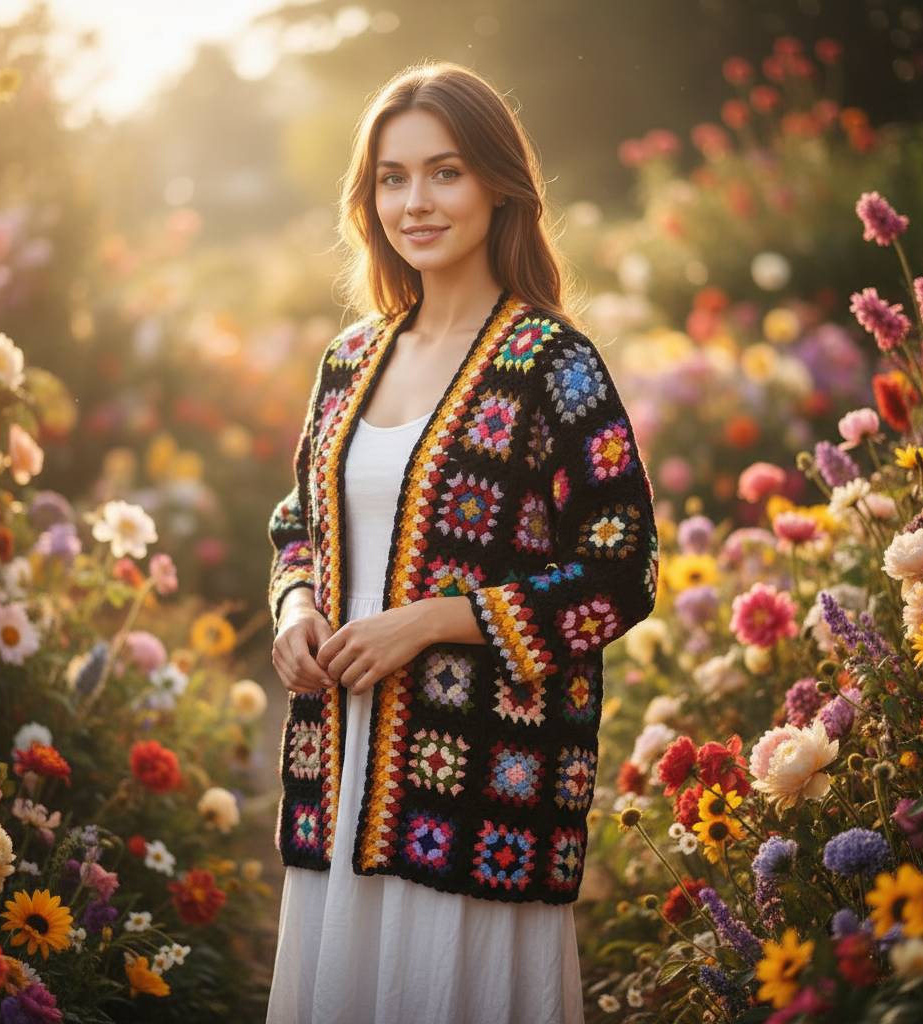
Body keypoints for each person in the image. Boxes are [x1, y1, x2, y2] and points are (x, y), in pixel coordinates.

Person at [266, 62, 657, 1024]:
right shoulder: (351, 360)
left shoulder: (548, 362)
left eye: (444, 172)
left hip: (481, 789)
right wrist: (297, 608)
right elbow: (296, 527)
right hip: (338, 771)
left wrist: (435, 623)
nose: (417, 202)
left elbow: (622, 569)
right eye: (392, 179)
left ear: (496, 183)